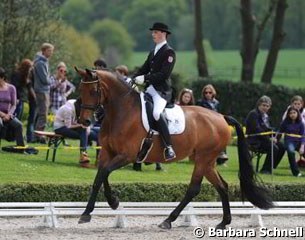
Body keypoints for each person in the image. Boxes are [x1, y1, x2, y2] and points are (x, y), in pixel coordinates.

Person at [133, 22, 176, 161]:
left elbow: (164, 75)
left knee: (157, 113)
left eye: (156, 32)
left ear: (164, 34)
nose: (153, 34)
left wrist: (144, 78)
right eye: (153, 32)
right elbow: (143, 69)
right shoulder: (153, 52)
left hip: (162, 91)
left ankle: (169, 147)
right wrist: (131, 79)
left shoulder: (169, 52)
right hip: (150, 89)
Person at [245, 95, 285, 174]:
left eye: (267, 106)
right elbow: (257, 130)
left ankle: (271, 166)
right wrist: (269, 139)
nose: (265, 107)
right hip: (254, 140)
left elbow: (267, 129)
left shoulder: (265, 116)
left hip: (263, 139)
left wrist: (275, 136)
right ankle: (265, 170)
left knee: (282, 147)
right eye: (264, 105)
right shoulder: (253, 114)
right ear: (259, 105)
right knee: (274, 148)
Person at [53, 98, 98, 168]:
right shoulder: (68, 109)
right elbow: (68, 126)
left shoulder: (79, 106)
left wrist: (86, 128)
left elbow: (84, 123)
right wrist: (81, 126)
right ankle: (83, 156)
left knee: (96, 133)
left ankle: (98, 159)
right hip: (60, 128)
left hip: (72, 126)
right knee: (83, 132)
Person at [196, 84, 228, 165]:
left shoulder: (217, 103)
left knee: (223, 135)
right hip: (205, 125)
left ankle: (222, 156)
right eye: (206, 93)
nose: (208, 94)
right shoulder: (200, 102)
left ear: (213, 93)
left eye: (210, 92)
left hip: (216, 124)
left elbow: (220, 114)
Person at [33, 43, 54, 142]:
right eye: (49, 50)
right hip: (42, 91)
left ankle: (37, 135)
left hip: (44, 90)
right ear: (44, 50)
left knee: (41, 114)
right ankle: (38, 136)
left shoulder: (44, 61)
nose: (51, 53)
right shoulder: (40, 63)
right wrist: (52, 80)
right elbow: (45, 80)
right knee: (43, 114)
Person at [0, 67, 25, 148]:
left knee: (19, 125)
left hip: (8, 115)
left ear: (3, 77)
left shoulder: (11, 88)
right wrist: (3, 115)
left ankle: (20, 147)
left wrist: (9, 115)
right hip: (1, 114)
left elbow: (14, 104)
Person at [277, 106, 303, 177]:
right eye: (290, 113)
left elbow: (303, 136)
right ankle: (296, 173)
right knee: (291, 152)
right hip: (289, 142)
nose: (292, 114)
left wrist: (302, 146)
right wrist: (276, 139)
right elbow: (280, 131)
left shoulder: (301, 123)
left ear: (297, 113)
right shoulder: (285, 123)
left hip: (299, 142)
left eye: (294, 113)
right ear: (288, 114)